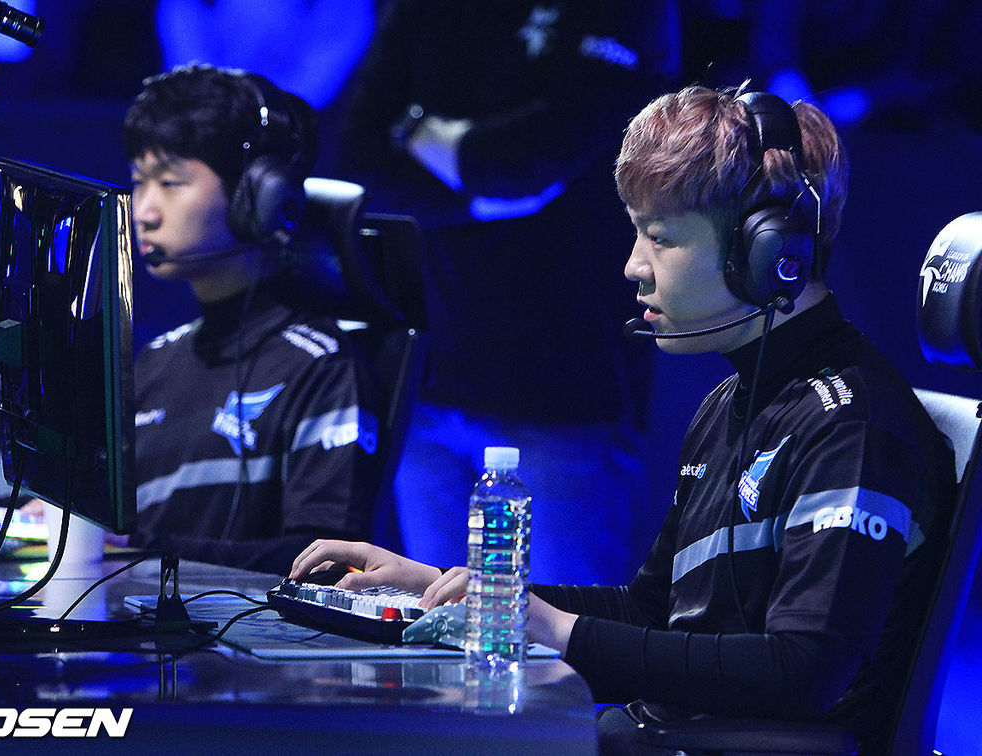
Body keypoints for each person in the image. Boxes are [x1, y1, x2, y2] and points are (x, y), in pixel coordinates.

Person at [290, 85, 956, 754]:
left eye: (660, 237)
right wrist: (451, 589)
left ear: (768, 251)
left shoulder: (851, 427)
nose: (633, 266)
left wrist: (556, 630)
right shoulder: (730, 405)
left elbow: (805, 673)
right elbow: (653, 612)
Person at [333, 0, 683, 584]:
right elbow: (357, 157)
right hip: (431, 381)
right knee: (432, 628)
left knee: (565, 629)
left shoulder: (626, 9)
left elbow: (533, 158)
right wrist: (480, 197)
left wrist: (416, 132)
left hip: (566, 394)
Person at [124, 64, 381, 575]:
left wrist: (138, 550)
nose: (145, 212)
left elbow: (329, 563)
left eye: (171, 182)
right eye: (138, 183)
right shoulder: (154, 362)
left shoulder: (321, 366)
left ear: (261, 198)